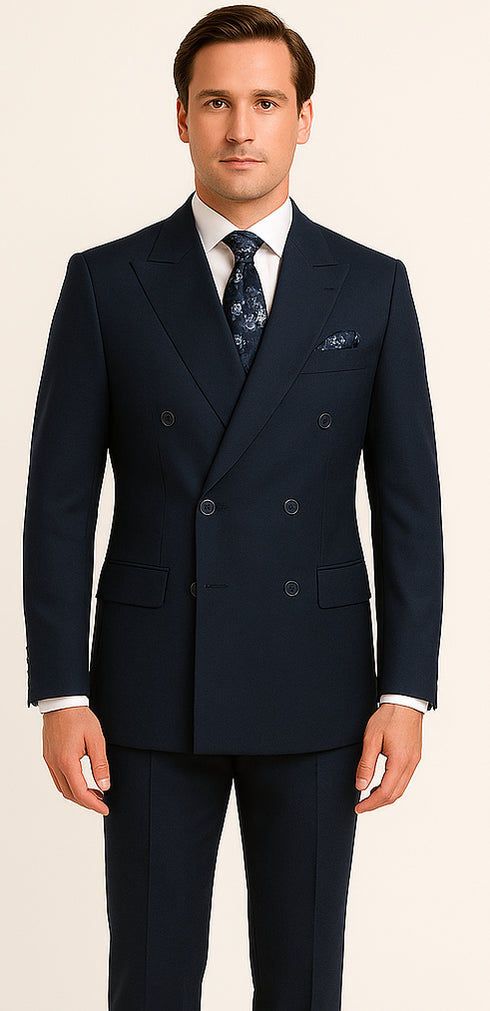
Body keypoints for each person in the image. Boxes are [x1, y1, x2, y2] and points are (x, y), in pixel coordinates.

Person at [22, 5, 444, 1009]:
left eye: (266, 102)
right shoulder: (106, 282)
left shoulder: (371, 287)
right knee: (151, 981)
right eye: (216, 103)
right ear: (181, 118)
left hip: (320, 685)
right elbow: (59, 503)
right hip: (148, 687)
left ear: (305, 118)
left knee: (303, 981)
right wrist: (60, 692)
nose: (241, 128)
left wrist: (406, 689)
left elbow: (409, 505)